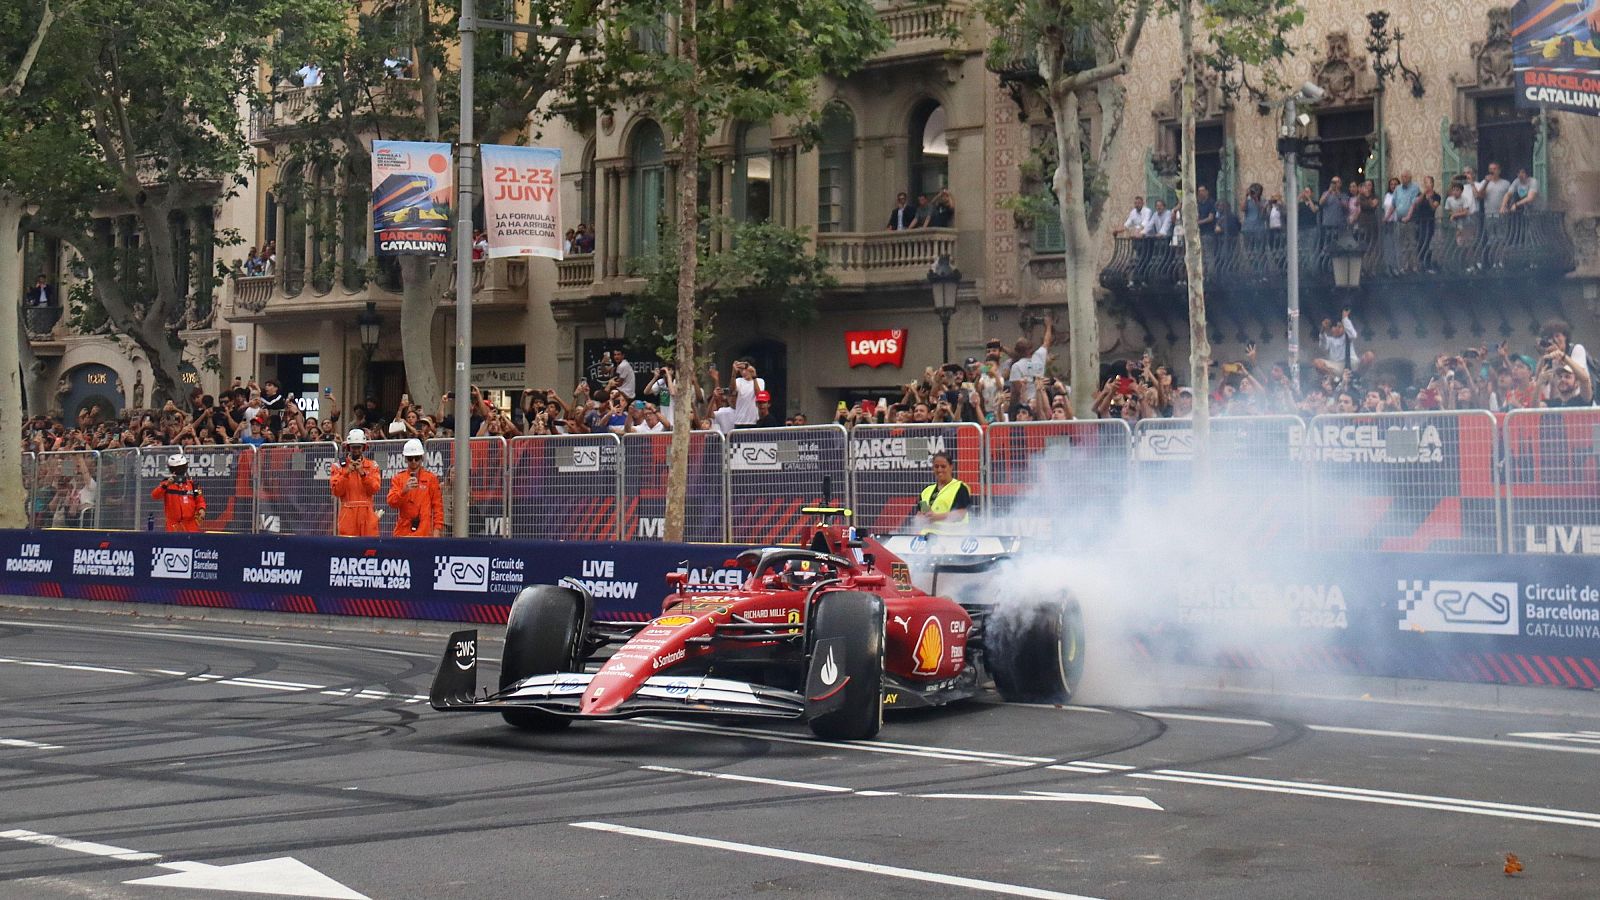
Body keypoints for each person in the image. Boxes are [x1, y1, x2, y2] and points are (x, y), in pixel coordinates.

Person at [386, 439, 443, 537]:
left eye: (416, 458)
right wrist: (404, 491)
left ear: (421, 458)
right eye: (410, 458)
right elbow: (391, 502)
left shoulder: (431, 478)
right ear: (405, 459)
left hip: (424, 531)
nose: (413, 462)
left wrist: (437, 529)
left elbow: (437, 506)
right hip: (403, 530)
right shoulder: (399, 478)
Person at [331, 428, 381, 537]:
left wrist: (363, 473)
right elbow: (336, 491)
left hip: (367, 514)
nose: (356, 450)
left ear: (364, 447)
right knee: (347, 547)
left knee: (370, 548)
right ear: (349, 447)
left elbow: (374, 488)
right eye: (353, 447)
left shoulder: (372, 465)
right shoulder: (338, 466)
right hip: (348, 514)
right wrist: (346, 473)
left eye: (359, 447)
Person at [915, 452, 971, 535]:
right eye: (936, 466)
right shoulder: (926, 491)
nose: (939, 469)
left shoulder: (960, 488)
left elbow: (961, 514)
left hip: (953, 538)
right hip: (927, 539)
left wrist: (936, 517)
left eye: (943, 466)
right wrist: (922, 517)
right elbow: (920, 514)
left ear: (951, 467)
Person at [150, 453, 206, 532]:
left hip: (191, 525)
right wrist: (166, 484)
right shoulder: (166, 484)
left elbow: (200, 500)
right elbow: (155, 495)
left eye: (181, 468)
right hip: (173, 526)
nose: (179, 471)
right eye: (176, 469)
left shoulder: (193, 485)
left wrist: (201, 509)